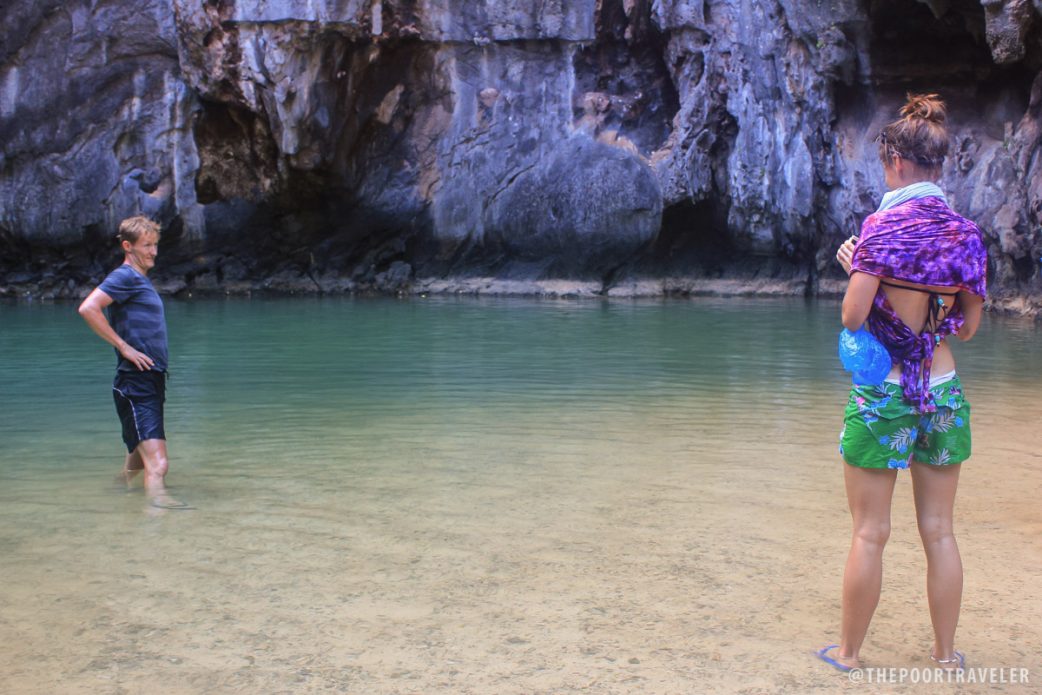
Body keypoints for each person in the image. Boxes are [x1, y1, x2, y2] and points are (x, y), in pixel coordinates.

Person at [818, 94, 988, 673]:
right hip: (943, 389)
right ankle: (946, 656)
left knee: (870, 533)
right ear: (939, 163)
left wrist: (858, 268)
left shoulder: (881, 228)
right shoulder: (966, 235)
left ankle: (849, 656)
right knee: (939, 531)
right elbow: (969, 328)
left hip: (886, 392)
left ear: (894, 159)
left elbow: (853, 316)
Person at [78, 216, 188, 509]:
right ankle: (159, 513)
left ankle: (117, 498)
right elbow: (88, 308)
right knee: (158, 464)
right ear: (127, 246)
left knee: (138, 462)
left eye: (155, 245)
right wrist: (124, 347)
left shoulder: (138, 280)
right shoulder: (125, 276)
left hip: (149, 379)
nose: (154, 252)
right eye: (146, 245)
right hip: (136, 381)